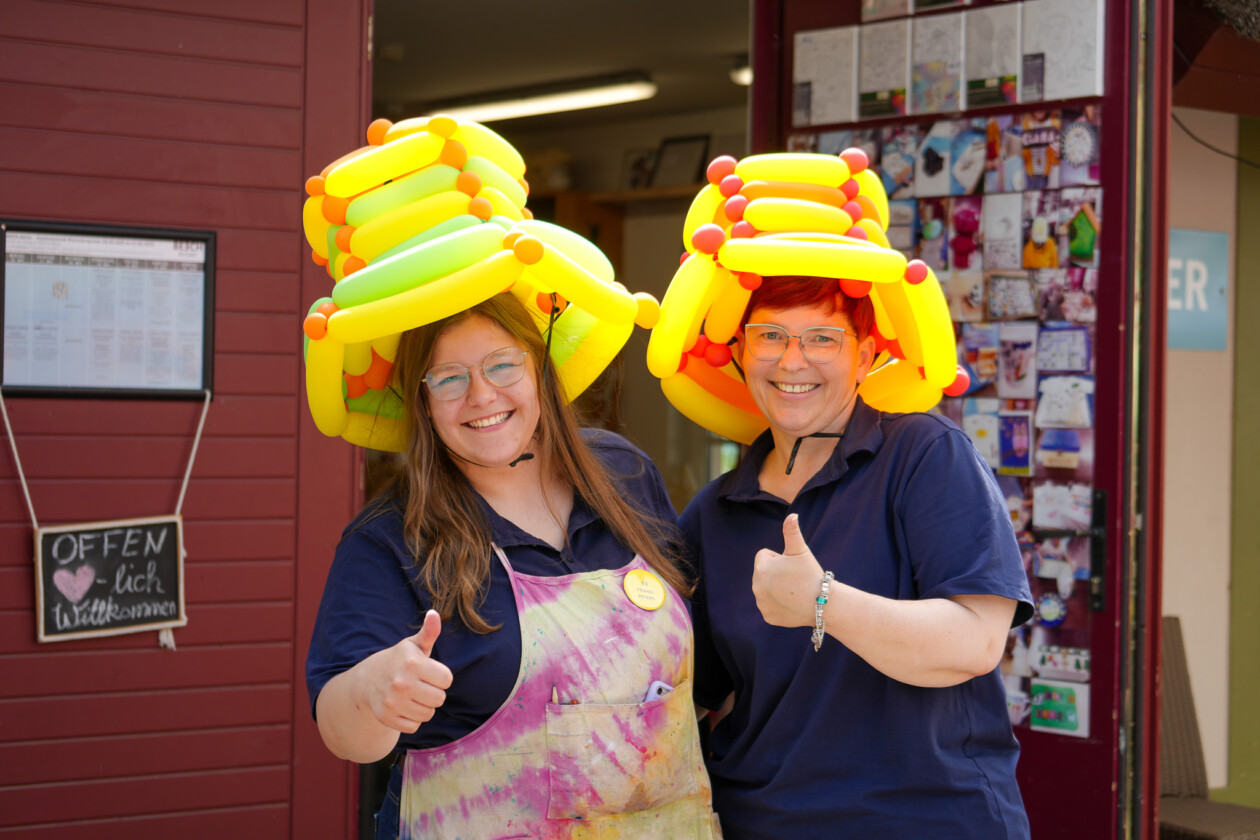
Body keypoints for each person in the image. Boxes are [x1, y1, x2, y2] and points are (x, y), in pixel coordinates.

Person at [307, 293, 721, 839]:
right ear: (422, 401)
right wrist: (374, 692)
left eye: (503, 364)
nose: (482, 395)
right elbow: (341, 728)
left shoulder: (623, 474)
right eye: (449, 378)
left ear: (540, 369)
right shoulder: (389, 538)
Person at [682, 276, 1034, 839]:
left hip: (928, 823)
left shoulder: (925, 454)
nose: (792, 361)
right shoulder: (712, 513)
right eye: (769, 335)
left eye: (823, 339)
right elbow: (686, 694)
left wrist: (822, 600)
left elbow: (976, 643)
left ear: (865, 354)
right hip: (761, 825)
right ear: (741, 353)